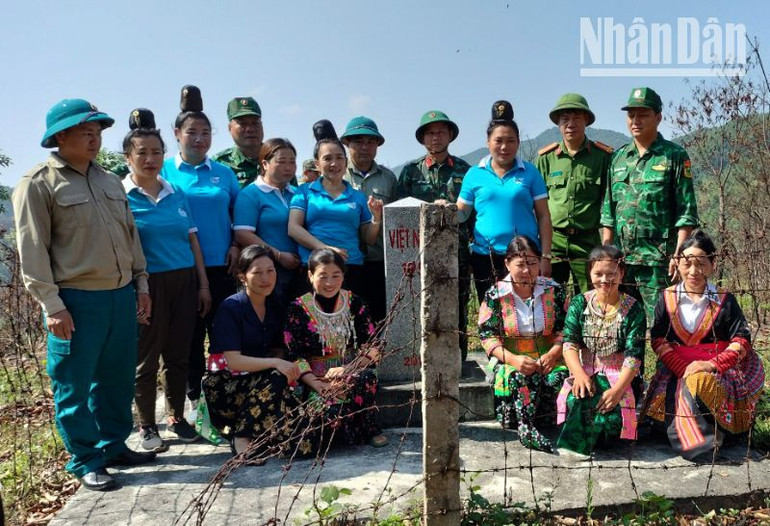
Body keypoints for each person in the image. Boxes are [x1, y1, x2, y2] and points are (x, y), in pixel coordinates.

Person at [13, 99, 155, 491]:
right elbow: (32, 250)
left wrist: (140, 284)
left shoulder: (109, 180)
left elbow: (130, 236)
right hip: (76, 300)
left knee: (116, 379)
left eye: (97, 133)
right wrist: (52, 305)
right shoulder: (38, 183)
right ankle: (86, 459)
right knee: (73, 384)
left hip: (120, 295)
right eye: (85, 132)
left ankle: (113, 447)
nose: (94, 139)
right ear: (61, 136)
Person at [122, 108, 212, 450]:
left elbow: (192, 241)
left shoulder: (175, 192)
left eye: (156, 152)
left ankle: (176, 417)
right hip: (147, 285)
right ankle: (147, 425)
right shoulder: (121, 196)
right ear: (128, 157)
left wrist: (203, 284)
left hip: (184, 281)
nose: (150, 159)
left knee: (179, 354)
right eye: (142, 153)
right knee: (146, 358)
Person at [643, 230, 765, 460]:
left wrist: (711, 365)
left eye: (701, 264)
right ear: (678, 264)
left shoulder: (725, 300)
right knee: (665, 416)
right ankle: (709, 433)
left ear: (712, 264)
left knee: (701, 383)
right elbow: (658, 339)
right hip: (676, 370)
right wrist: (682, 368)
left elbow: (741, 340)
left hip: (719, 371)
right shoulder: (667, 298)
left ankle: (716, 430)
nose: (693, 271)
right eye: (687, 263)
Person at [161, 85, 241, 406]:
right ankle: (193, 398)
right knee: (188, 337)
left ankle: (223, 397)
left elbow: (239, 216)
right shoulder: (163, 170)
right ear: (176, 134)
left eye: (205, 132)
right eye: (191, 132)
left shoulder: (224, 174)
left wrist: (235, 245)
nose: (199, 138)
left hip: (222, 266)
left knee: (223, 334)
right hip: (180, 267)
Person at [202, 245, 315, 459]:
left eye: (270, 270)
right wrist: (275, 364)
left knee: (305, 445)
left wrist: (278, 363)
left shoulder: (275, 305)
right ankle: (241, 436)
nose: (265, 278)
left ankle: (260, 432)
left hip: (264, 387)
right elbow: (234, 361)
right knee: (277, 376)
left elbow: (279, 350)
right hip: (225, 387)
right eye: (257, 272)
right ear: (242, 276)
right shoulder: (231, 307)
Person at [601, 87, 699, 322]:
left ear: (658, 117)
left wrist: (679, 253)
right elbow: (608, 210)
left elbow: (686, 210)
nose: (635, 121)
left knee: (662, 324)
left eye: (643, 115)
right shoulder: (618, 158)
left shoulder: (674, 156)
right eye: (631, 115)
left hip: (659, 261)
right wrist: (607, 253)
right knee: (621, 326)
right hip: (622, 261)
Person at [284, 248, 388, 448]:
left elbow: (374, 346)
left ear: (343, 276)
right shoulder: (297, 309)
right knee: (325, 420)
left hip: (352, 374)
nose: (329, 283)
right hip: (315, 381)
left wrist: (348, 369)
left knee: (366, 377)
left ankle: (369, 429)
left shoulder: (355, 303)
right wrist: (317, 384)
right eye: (322, 276)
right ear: (310, 275)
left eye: (335, 275)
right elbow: (294, 354)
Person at [458, 101, 553, 303]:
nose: (504, 147)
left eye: (510, 140)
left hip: (525, 258)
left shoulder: (530, 172)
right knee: (491, 313)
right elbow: (462, 212)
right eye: (498, 140)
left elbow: (544, 215)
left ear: (518, 142)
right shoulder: (474, 174)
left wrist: (545, 256)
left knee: (527, 312)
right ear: (488, 142)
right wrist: (444, 207)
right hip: (486, 257)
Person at [478, 236, 567, 452]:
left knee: (560, 378)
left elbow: (566, 329)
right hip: (510, 359)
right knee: (520, 378)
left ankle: (546, 421)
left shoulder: (554, 290)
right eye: (520, 265)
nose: (527, 271)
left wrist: (553, 354)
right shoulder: (495, 295)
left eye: (532, 263)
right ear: (507, 263)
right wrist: (514, 360)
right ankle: (526, 429)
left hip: (548, 357)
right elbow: (487, 336)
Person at [556, 245, 646, 455]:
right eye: (598, 274)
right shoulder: (579, 303)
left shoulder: (634, 309)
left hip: (621, 376)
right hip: (585, 370)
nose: (605, 280)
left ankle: (584, 443)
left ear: (622, 273)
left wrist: (617, 391)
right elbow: (569, 344)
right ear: (590, 273)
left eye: (611, 274)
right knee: (576, 398)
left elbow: (633, 357)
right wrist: (579, 374)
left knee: (610, 412)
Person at [397, 110, 473, 360]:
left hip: (457, 250)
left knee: (458, 305)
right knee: (422, 304)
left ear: (450, 135)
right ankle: (420, 358)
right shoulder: (411, 172)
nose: (435, 137)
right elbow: (400, 212)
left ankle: (458, 359)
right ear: (422, 138)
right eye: (430, 133)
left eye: (441, 132)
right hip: (419, 252)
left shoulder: (465, 170)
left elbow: (473, 213)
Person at [288, 120, 383, 295]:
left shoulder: (358, 196)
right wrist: (324, 248)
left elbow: (368, 239)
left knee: (350, 313)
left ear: (346, 162)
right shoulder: (304, 192)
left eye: (339, 157)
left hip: (350, 269)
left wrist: (376, 218)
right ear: (317, 164)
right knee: (310, 313)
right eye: (327, 158)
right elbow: (293, 228)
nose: (334, 163)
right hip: (314, 268)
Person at [536, 94, 612, 294]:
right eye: (565, 119)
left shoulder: (602, 157)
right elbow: (537, 203)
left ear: (586, 120)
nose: (571, 124)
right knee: (550, 298)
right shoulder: (546, 159)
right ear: (558, 124)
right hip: (554, 241)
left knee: (590, 297)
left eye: (577, 118)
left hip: (587, 241)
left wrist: (607, 242)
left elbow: (610, 202)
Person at [233, 138, 302, 310]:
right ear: (265, 164)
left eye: (292, 162)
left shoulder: (298, 193)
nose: (288, 167)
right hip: (268, 272)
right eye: (281, 162)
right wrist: (278, 255)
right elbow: (242, 234)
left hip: (299, 271)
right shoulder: (251, 194)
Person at [340, 116, 397, 322]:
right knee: (347, 318)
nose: (365, 147)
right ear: (347, 144)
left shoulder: (388, 178)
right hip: (345, 260)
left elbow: (396, 219)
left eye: (371, 142)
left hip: (379, 259)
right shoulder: (338, 176)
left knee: (379, 317)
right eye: (358, 141)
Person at [211, 97, 264, 188]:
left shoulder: (277, 158)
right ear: (230, 128)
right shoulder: (219, 163)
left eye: (255, 123)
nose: (250, 129)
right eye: (243, 124)